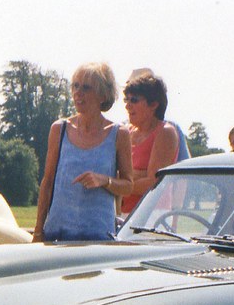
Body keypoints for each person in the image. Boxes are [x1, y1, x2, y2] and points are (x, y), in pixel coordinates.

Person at [33, 63, 133, 242]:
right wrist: (38, 231)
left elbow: (128, 185)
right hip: (57, 236)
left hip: (99, 238)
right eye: (75, 86)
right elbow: (47, 183)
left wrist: (104, 180)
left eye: (86, 88)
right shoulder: (59, 129)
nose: (78, 92)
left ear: (103, 95)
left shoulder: (119, 133)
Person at [119, 71, 180, 214]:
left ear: (153, 104)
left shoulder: (165, 132)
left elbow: (154, 182)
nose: (128, 106)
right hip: (122, 214)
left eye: (134, 100)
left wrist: (118, 184)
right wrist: (138, 175)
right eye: (126, 100)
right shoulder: (126, 132)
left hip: (151, 216)